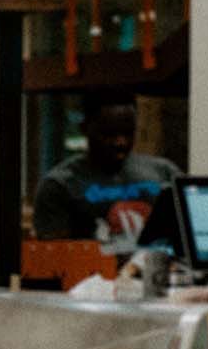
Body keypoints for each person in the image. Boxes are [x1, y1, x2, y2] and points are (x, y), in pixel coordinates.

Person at [32, 96, 179, 253]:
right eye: (109, 134)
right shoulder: (59, 185)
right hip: (91, 273)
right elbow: (55, 259)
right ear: (84, 128)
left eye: (128, 133)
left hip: (157, 271)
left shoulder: (164, 172)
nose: (120, 142)